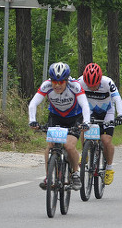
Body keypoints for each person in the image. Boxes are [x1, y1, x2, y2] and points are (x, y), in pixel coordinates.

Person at [29, 62, 91, 190]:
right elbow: (33, 103)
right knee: (50, 146)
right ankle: (49, 177)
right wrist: (32, 120)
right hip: (56, 116)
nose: (57, 85)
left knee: (69, 146)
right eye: (54, 81)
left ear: (67, 80)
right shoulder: (46, 85)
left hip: (74, 118)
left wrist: (86, 122)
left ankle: (75, 173)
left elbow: (85, 105)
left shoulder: (75, 86)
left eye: (61, 82)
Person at [80, 63, 122, 185]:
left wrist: (120, 115)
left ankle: (109, 168)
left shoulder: (107, 82)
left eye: (94, 85)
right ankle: (85, 152)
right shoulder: (80, 82)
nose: (92, 88)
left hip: (107, 111)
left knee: (106, 140)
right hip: (91, 110)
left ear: (100, 80)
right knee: (84, 127)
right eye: (89, 85)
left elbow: (118, 99)